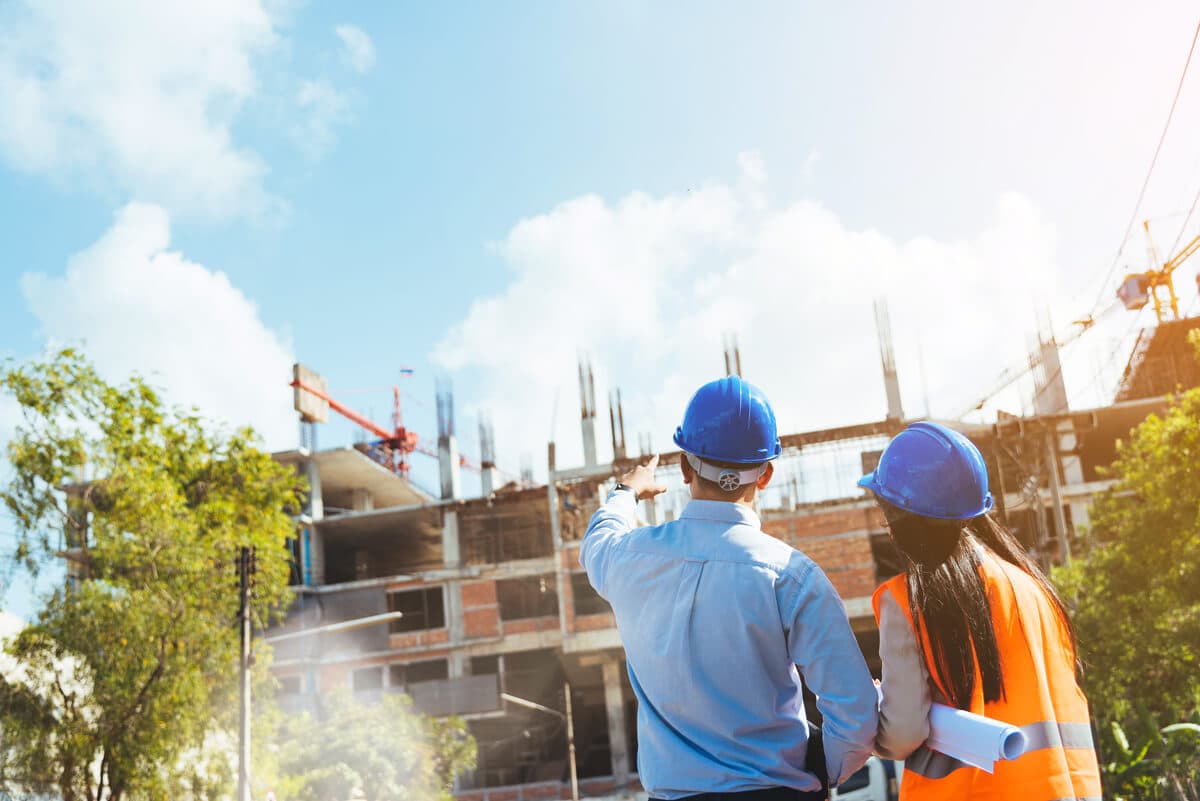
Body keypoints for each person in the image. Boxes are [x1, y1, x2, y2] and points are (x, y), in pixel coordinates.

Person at [580, 376, 878, 801]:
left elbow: (598, 539)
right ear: (766, 474)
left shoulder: (628, 558)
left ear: (685, 468)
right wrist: (815, 774)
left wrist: (627, 490)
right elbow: (856, 715)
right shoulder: (792, 575)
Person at [859, 421, 1101, 799]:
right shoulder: (1033, 588)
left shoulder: (909, 600)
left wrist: (874, 718)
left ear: (898, 517)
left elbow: (903, 734)